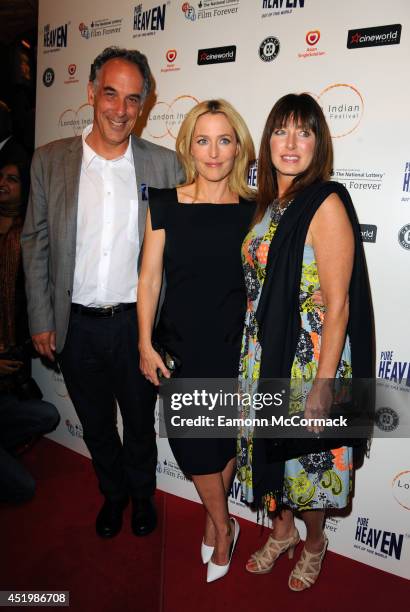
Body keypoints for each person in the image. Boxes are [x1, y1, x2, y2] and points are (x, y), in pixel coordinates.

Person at [21, 47, 184, 538]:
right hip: (75, 326)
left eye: (133, 99)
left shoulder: (166, 166)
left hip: (137, 329)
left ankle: (140, 495)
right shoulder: (50, 161)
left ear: (145, 104)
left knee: (139, 424)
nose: (120, 109)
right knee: (94, 426)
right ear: (91, 93)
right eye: (110, 94)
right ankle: (113, 494)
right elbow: (36, 241)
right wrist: (40, 317)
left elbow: (183, 252)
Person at [238, 93, 373, 590]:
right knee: (273, 456)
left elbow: (338, 307)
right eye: (281, 130)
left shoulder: (326, 202)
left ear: (320, 143)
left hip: (310, 360)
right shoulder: (271, 205)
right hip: (265, 355)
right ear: (268, 138)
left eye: (304, 132)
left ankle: (314, 542)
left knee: (306, 467)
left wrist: (321, 387)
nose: (291, 143)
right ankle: (282, 531)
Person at [137, 99, 256, 581]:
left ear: (238, 148)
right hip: (181, 347)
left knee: (223, 442)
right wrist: (144, 344)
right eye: (202, 140)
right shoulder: (164, 202)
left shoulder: (254, 210)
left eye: (224, 140)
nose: (213, 152)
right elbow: (147, 280)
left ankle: (214, 522)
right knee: (192, 445)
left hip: (233, 345)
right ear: (188, 145)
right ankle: (224, 525)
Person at [0, 159, 59, 503]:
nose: (3, 183)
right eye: (0, 177)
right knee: (22, 489)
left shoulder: (32, 234)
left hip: (13, 361)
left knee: (46, 415)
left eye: (12, 179)